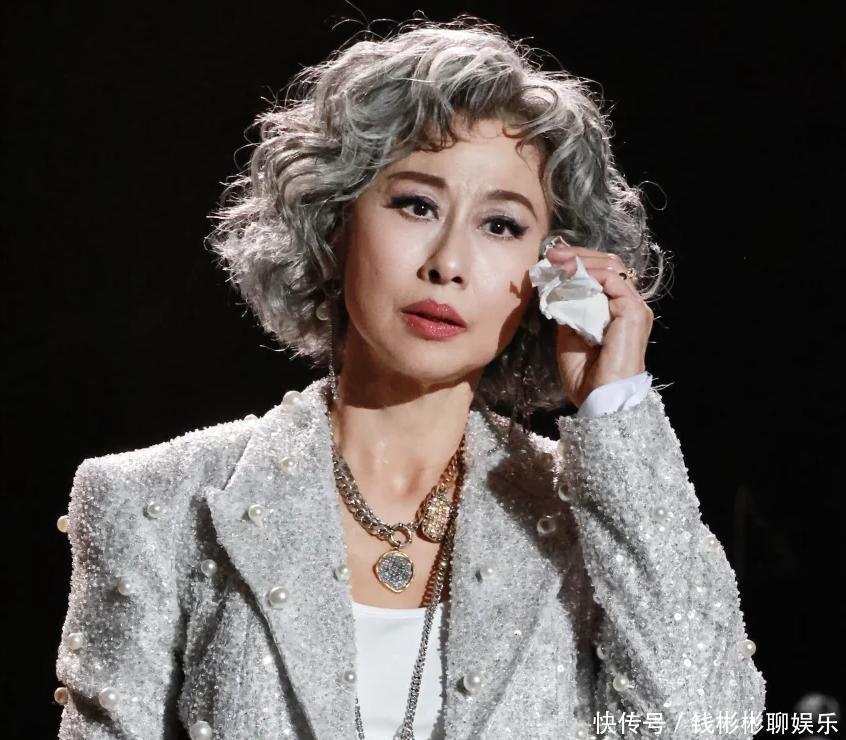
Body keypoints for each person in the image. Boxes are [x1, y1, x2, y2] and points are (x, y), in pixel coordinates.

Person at [53, 16, 766, 740]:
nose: (448, 263)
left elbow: (707, 727)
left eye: (501, 226)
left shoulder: (592, 521)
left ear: (551, 274)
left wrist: (615, 409)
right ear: (335, 223)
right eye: (416, 205)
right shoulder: (156, 504)